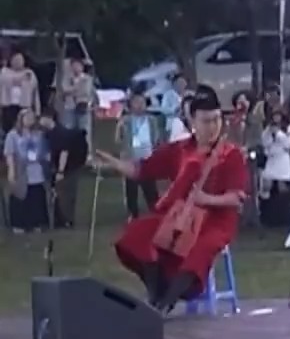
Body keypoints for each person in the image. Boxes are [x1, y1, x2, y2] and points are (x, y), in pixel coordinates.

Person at [93, 93, 248, 313]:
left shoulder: (231, 154)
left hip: (217, 220)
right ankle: (156, 292)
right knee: (139, 233)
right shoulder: (179, 150)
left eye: (216, 120)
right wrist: (115, 164)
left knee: (199, 248)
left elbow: (236, 197)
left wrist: (206, 199)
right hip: (179, 216)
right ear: (193, 122)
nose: (213, 126)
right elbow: (141, 169)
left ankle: (167, 302)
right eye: (206, 121)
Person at [116, 90, 166, 218]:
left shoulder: (152, 120)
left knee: (150, 188)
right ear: (131, 105)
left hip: (147, 157)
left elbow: (157, 138)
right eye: (136, 102)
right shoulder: (126, 121)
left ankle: (155, 212)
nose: (139, 105)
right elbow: (118, 140)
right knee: (131, 189)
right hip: (131, 159)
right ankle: (133, 214)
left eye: (142, 102)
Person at [4, 107, 50, 233]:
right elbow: (10, 154)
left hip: (36, 170)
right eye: (27, 117)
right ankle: (19, 224)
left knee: (36, 196)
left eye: (32, 117)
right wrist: (11, 170)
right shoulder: (13, 135)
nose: (30, 119)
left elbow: (44, 151)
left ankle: (36, 223)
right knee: (20, 196)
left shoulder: (38, 134)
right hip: (21, 169)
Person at [259, 108, 290, 228]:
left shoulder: (288, 128)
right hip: (272, 159)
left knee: (282, 186)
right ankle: (266, 215)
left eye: (278, 115)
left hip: (282, 160)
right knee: (266, 184)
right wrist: (271, 135)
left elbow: (289, 144)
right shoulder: (268, 129)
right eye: (274, 116)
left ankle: (284, 215)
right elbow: (265, 142)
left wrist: (278, 134)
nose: (276, 118)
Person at [0, 50, 38, 135]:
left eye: (20, 60)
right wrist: (19, 79)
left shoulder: (29, 73)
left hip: (24, 106)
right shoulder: (4, 71)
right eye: (16, 59)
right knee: (7, 128)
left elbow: (34, 91)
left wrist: (37, 109)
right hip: (8, 106)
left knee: (23, 128)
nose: (18, 62)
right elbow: (5, 81)